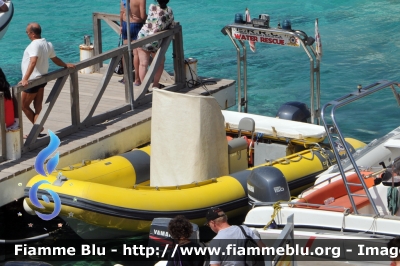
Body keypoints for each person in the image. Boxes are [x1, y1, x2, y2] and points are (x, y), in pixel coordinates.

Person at [19, 22, 74, 136]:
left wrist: (25, 79)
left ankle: (37, 130)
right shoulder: (47, 44)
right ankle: (36, 132)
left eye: (27, 32)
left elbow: (33, 61)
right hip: (42, 79)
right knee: (37, 107)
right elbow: (55, 59)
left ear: (33, 34)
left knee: (23, 106)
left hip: (33, 80)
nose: (27, 34)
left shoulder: (34, 45)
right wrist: (64, 65)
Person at [137, 0, 174, 89]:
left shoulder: (151, 7)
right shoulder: (169, 11)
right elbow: (172, 26)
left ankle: (143, 88)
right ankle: (156, 85)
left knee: (143, 64)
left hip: (142, 36)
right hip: (155, 41)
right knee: (160, 63)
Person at [119, 0, 147, 85]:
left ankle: (125, 77)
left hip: (125, 24)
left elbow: (121, 13)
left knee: (125, 51)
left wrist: (121, 26)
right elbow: (142, 16)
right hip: (136, 25)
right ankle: (137, 79)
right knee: (136, 53)